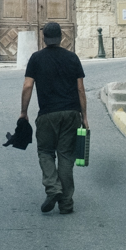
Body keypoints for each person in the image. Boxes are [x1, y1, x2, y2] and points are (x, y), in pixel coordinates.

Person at [18, 21, 87, 214]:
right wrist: (85, 116)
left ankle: (53, 188)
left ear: (44, 38)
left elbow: (27, 86)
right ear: (62, 37)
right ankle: (66, 204)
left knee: (46, 152)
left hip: (47, 114)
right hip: (71, 113)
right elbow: (80, 89)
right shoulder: (72, 58)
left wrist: (24, 112)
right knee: (66, 156)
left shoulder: (36, 58)